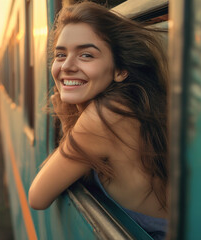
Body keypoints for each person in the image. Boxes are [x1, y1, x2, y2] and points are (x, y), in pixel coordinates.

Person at [28, 1, 168, 239]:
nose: (67, 66)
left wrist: (67, 122)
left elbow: (37, 197)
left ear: (120, 70)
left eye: (86, 55)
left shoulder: (105, 116)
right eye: (61, 54)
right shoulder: (130, 105)